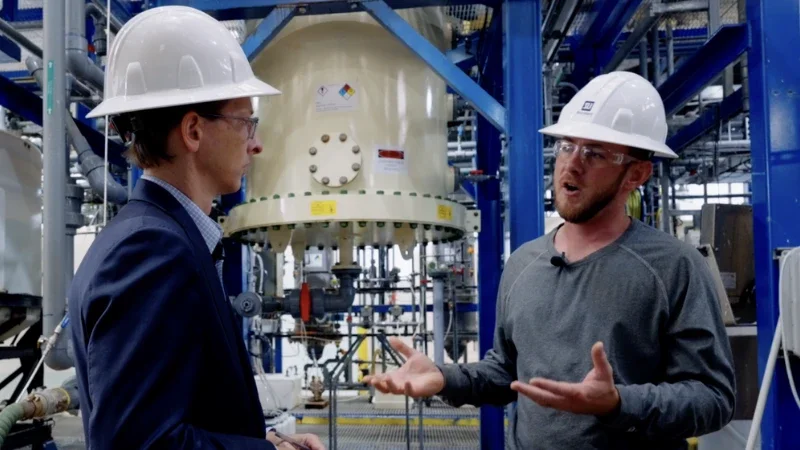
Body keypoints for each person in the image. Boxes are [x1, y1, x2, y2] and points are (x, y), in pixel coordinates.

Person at [363, 71, 736, 449]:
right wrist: (446, 378)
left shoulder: (674, 267)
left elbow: (713, 398)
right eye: (566, 146)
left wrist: (619, 403)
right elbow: (504, 372)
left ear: (636, 174)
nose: (572, 165)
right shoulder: (524, 263)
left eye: (594, 153)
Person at [68, 6, 324, 450]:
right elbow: (139, 444)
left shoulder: (154, 236)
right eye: (245, 122)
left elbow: (174, 416)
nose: (256, 143)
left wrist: (265, 442)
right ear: (192, 131)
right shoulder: (152, 251)